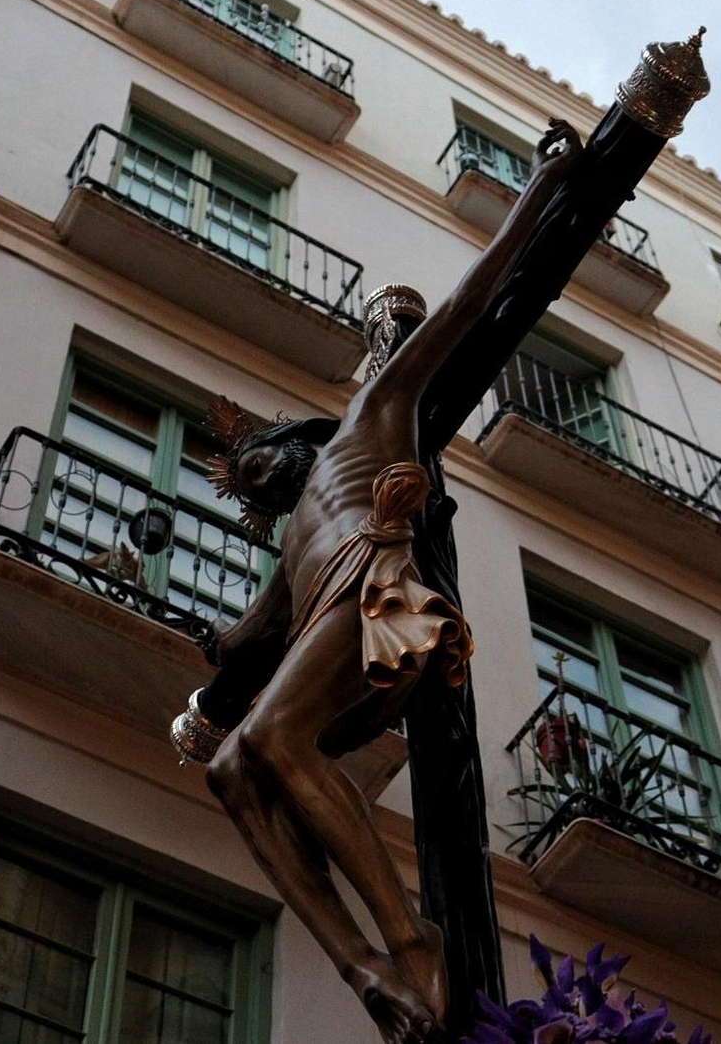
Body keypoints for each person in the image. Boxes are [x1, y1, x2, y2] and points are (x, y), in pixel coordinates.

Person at [183, 119, 582, 1044]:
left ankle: (410, 936)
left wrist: (540, 193)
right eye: (254, 490)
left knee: (277, 733)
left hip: (388, 596)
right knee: (233, 766)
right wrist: (207, 684)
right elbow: (247, 637)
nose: (264, 485)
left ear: (298, 441)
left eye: (262, 466)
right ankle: (364, 966)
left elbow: (467, 308)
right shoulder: (293, 550)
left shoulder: (372, 416)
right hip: (338, 614)